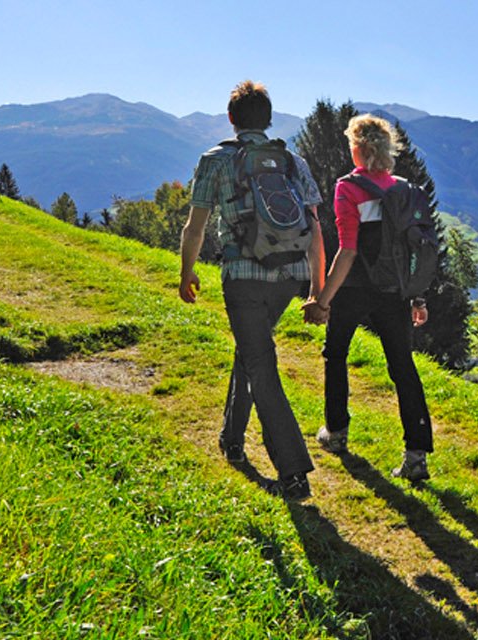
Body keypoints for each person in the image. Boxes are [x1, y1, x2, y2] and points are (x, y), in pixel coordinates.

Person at [179, 80, 321, 501]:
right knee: (251, 350)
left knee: (260, 363)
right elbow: (313, 228)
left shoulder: (217, 160)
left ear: (231, 119)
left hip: (243, 275)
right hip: (290, 275)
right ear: (269, 118)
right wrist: (317, 287)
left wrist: (187, 271)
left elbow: (196, 226)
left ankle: (294, 474)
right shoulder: (293, 161)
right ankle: (232, 439)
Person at [302, 114, 433, 481]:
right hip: (394, 292)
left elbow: (347, 251)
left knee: (336, 355)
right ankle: (417, 455)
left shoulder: (348, 188)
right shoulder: (404, 190)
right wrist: (417, 297)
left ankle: (337, 432)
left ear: (358, 149)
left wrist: (323, 301)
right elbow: (413, 252)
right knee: (403, 369)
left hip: (355, 288)